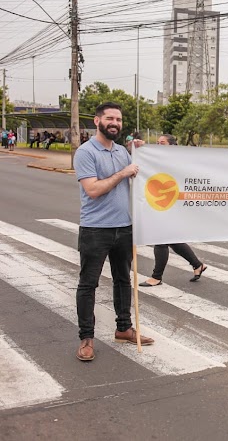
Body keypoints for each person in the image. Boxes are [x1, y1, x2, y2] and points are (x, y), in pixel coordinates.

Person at [73, 101, 153, 362]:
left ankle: (124, 328)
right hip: (96, 230)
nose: (115, 123)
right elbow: (93, 190)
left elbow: (139, 175)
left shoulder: (122, 151)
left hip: (124, 227)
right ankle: (86, 338)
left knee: (123, 280)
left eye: (118, 119)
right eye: (109, 118)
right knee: (88, 284)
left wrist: (142, 154)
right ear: (97, 121)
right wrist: (124, 172)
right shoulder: (86, 152)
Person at [140, 134, 208, 287]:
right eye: (157, 142)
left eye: (162, 143)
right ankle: (197, 265)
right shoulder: (158, 160)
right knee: (171, 239)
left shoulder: (176, 161)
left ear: (171, 145)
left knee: (160, 239)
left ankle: (156, 277)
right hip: (162, 203)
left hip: (172, 204)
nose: (158, 145)